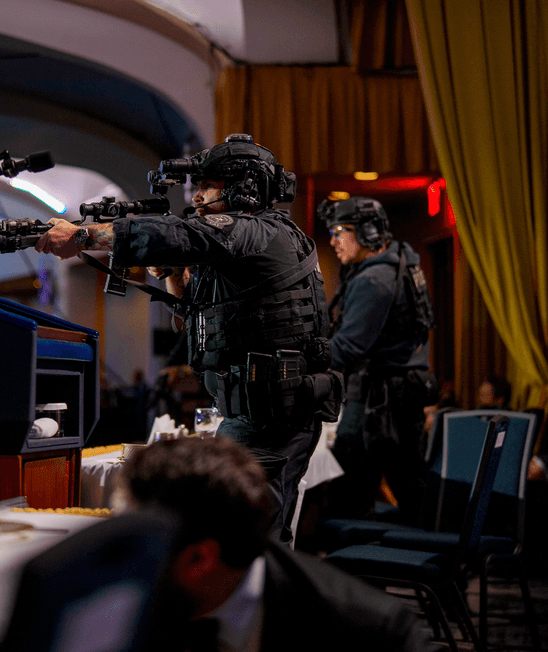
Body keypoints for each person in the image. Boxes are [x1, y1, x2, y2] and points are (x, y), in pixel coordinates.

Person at [36, 134, 339, 542]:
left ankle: (264, 604)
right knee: (244, 534)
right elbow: (200, 316)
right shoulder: (244, 244)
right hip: (258, 411)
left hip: (269, 416)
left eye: (206, 186)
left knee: (247, 540)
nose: (196, 197)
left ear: (242, 187)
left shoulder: (257, 231)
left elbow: (180, 235)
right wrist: (176, 275)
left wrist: (84, 237)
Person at [116, 437, 434, 652]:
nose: (115, 554)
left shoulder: (369, 632)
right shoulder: (111, 613)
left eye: (130, 539)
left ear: (199, 559)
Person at [320, 197, 436, 524]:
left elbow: (348, 346)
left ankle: (357, 568)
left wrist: (305, 366)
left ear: (367, 232)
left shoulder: (374, 280)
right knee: (410, 487)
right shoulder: (397, 264)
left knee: (352, 494)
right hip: (396, 397)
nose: (333, 240)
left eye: (339, 231)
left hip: (378, 402)